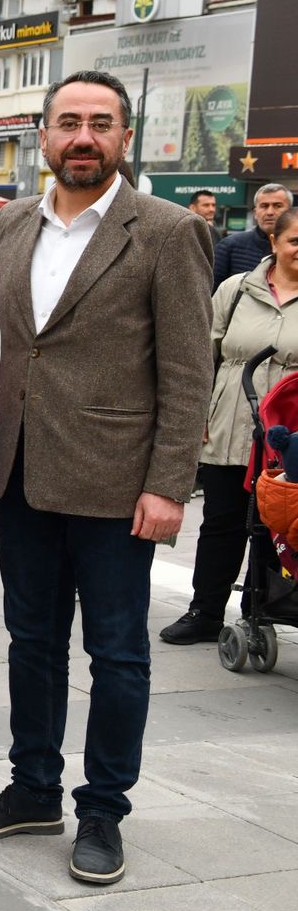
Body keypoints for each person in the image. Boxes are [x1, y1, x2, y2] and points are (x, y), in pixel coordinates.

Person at [0, 69, 213, 887]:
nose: (83, 137)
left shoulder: (165, 231)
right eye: (68, 122)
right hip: (24, 472)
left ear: (124, 137)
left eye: (100, 123)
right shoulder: (16, 220)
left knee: (118, 654)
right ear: (45, 137)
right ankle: (33, 789)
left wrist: (170, 484)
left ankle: (103, 809)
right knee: (31, 643)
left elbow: (189, 370)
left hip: (116, 483)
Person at [167, 206, 298, 645]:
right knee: (221, 522)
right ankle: (204, 611)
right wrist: (196, 412)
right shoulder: (235, 290)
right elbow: (202, 355)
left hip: (289, 435)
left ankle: (258, 611)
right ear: (274, 243)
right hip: (231, 422)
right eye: (294, 240)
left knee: (276, 525)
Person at [214, 185, 289, 289]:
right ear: (255, 213)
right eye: (264, 206)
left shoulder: (293, 249)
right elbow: (209, 294)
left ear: (290, 211)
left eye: (277, 206)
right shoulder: (229, 246)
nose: (270, 212)